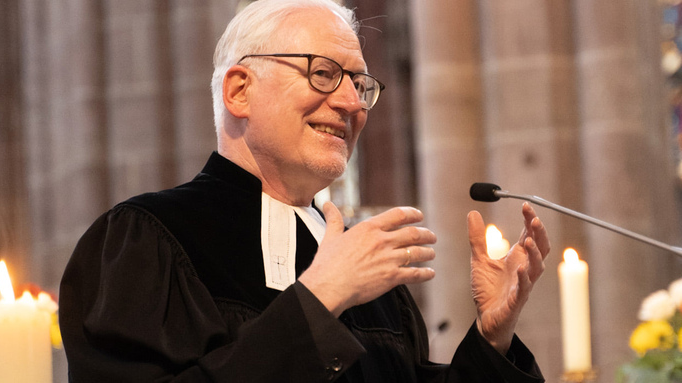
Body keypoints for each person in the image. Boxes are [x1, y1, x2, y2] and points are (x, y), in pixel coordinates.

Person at [59, 0, 551, 381]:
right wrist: (319, 299)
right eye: (323, 73)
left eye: (359, 84)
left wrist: (492, 341)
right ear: (239, 91)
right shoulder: (146, 241)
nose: (350, 103)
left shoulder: (371, 274)